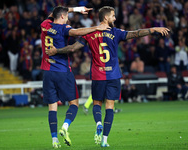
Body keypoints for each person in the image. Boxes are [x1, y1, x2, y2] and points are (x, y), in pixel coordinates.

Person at [46, 6, 170, 147]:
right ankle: (104, 140)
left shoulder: (90, 33)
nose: (115, 18)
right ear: (106, 17)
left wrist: (57, 51)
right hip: (113, 75)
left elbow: (73, 48)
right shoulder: (115, 32)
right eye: (112, 16)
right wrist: (153, 30)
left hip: (98, 75)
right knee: (110, 106)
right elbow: (135, 34)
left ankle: (98, 123)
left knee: (97, 104)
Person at [40, 6, 110, 148]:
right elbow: (77, 32)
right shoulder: (63, 28)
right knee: (74, 104)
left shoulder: (45, 25)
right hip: (63, 71)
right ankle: (65, 127)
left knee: (52, 108)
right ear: (62, 17)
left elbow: (54, 13)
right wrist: (97, 28)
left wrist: (76, 9)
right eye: (66, 16)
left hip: (47, 71)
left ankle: (54, 140)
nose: (67, 18)